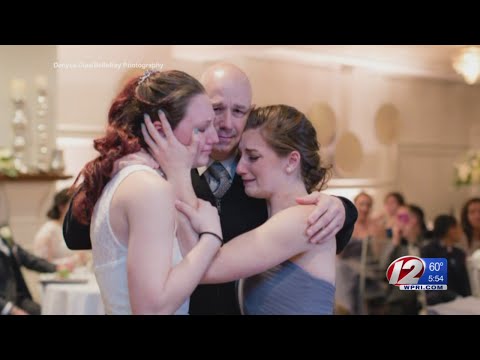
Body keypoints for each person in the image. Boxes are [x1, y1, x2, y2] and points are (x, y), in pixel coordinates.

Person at [63, 63, 358, 314]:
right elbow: (79, 233)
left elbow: (315, 228)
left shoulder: (261, 182)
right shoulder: (155, 177)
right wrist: (115, 164)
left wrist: (342, 208)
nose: (226, 124)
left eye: (239, 111)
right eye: (216, 110)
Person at [70, 70, 224, 314]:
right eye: (201, 129)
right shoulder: (148, 188)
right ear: (160, 130)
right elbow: (152, 309)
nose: (214, 138)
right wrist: (211, 238)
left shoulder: (138, 179)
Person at [169, 104, 337, 314]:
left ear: (292, 161)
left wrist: (177, 170)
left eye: (253, 157)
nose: (240, 168)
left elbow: (203, 269)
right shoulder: (273, 217)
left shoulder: (303, 220)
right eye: (240, 157)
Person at [0, 224, 64, 315]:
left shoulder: (5, 239)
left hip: (20, 298)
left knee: (47, 312)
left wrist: (56, 268)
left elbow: (29, 259)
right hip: (4, 304)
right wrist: (11, 310)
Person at [421, 214, 471, 305]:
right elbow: (433, 285)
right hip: (438, 304)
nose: (461, 232)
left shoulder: (459, 253)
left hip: (462, 304)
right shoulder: (428, 251)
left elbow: (465, 283)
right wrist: (456, 297)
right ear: (450, 230)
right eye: (458, 228)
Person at [33, 188, 88, 266]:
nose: (81, 208)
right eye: (76, 204)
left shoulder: (73, 227)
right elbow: (43, 263)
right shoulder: (48, 230)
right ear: (61, 207)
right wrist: (74, 260)